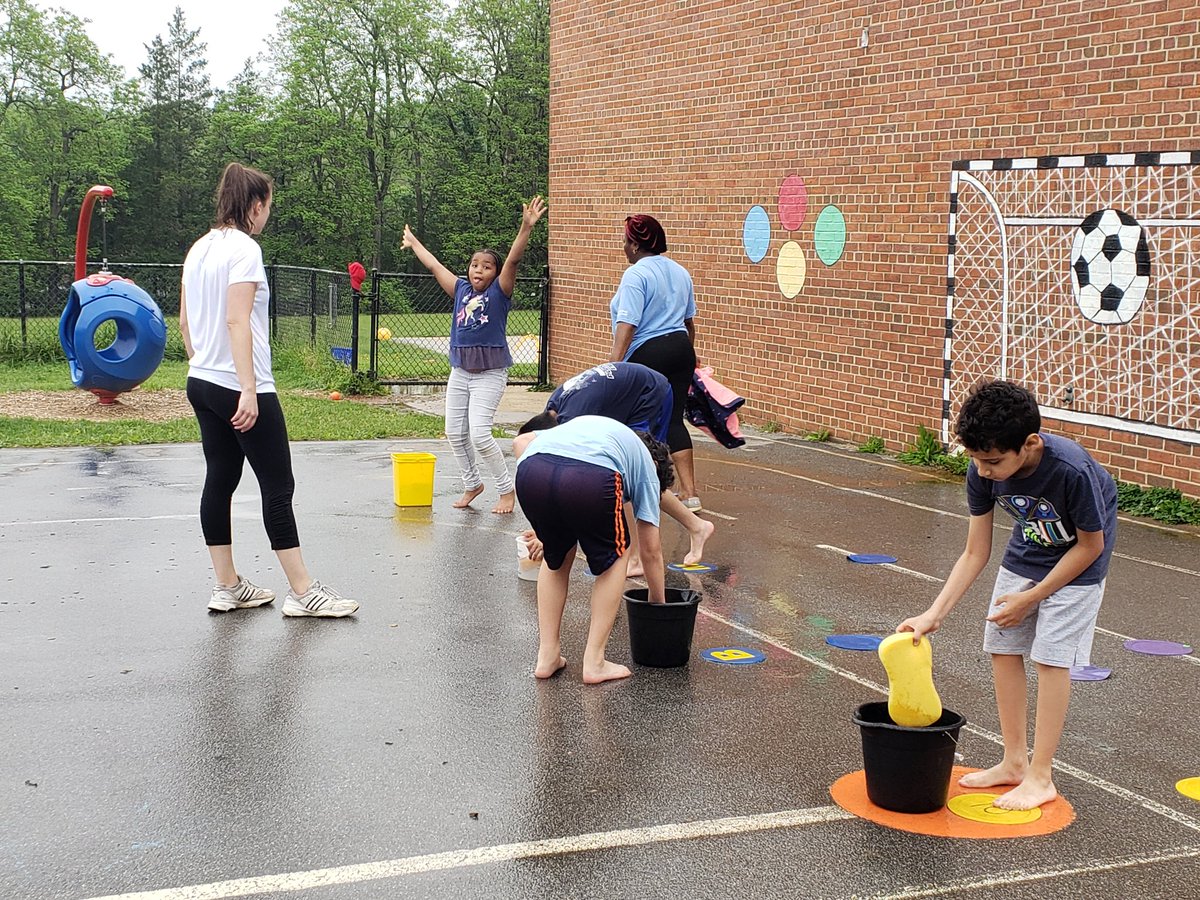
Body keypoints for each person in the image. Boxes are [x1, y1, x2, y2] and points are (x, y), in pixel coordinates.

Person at [897, 380, 1117, 810]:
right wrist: (934, 613)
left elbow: (1091, 545)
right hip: (1028, 551)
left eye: (993, 461)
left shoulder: (1071, 471)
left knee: (1051, 658)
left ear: (1030, 443)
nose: (983, 471)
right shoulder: (982, 469)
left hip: (1079, 563)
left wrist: (1032, 597)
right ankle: (1014, 762)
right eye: (976, 460)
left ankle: (1041, 775)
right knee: (1002, 646)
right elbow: (975, 550)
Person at [180, 162, 358, 617]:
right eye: (268, 208)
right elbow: (237, 319)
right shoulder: (244, 250)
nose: (267, 217)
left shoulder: (199, 248)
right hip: (239, 385)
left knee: (220, 478)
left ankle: (227, 586)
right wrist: (247, 389)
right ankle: (303, 592)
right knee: (278, 485)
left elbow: (184, 322)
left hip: (200, 380)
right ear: (255, 206)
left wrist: (201, 367)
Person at [401, 196, 547, 514]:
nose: (478, 270)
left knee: (480, 433)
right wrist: (413, 242)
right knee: (455, 431)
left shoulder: (499, 292)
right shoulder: (461, 290)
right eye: (474, 265)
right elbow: (434, 265)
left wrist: (525, 227)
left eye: (486, 266)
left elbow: (512, 262)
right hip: (461, 371)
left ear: (495, 274)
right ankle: (472, 484)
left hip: (491, 373)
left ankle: (507, 491)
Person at [512, 415, 672, 684]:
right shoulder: (646, 464)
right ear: (657, 465)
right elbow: (651, 551)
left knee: (557, 558)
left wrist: (545, 530)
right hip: (591, 477)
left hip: (531, 470)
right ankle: (595, 662)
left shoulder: (599, 430)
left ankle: (547, 655)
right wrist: (659, 605)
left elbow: (523, 442)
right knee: (617, 556)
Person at [519, 361, 714, 571]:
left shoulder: (571, 420)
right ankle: (696, 526)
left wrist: (548, 533)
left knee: (636, 473)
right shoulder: (557, 406)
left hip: (649, 393)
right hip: (634, 388)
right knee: (628, 476)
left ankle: (637, 559)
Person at [609, 214, 702, 511]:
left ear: (635, 244)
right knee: (673, 419)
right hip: (680, 349)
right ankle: (690, 493)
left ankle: (651, 488)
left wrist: (613, 365)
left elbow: (628, 324)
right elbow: (689, 323)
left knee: (640, 421)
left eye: (625, 241)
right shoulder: (679, 271)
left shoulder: (636, 274)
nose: (623, 247)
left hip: (649, 351)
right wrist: (690, 354)